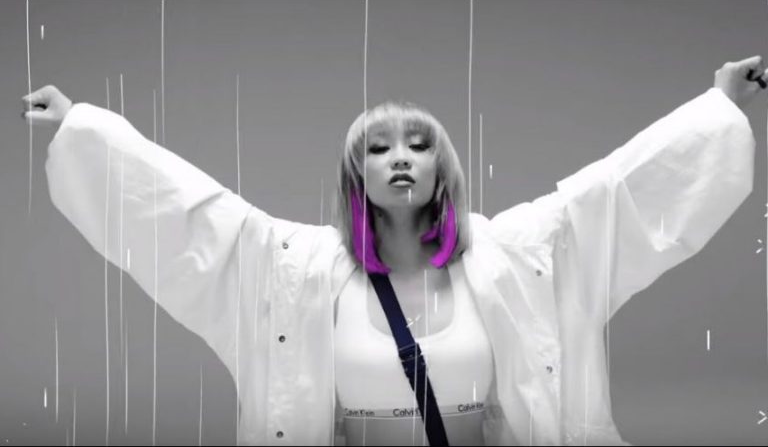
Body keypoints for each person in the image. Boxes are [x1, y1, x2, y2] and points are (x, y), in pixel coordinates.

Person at [21, 55, 765, 446]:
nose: (400, 156)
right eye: (378, 147)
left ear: (443, 167)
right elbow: (190, 212)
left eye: (418, 143)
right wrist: (82, 128)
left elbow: (614, 191)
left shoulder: (512, 253)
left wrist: (718, 106)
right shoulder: (295, 267)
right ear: (358, 174)